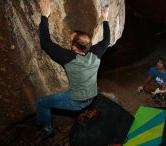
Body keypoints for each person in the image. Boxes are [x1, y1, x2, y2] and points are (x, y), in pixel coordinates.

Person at [36, 0, 110, 140]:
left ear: (75, 48)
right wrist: (105, 18)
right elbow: (107, 39)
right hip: (91, 95)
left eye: (71, 41)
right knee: (74, 90)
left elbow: (45, 42)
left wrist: (45, 15)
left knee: (41, 102)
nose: (70, 41)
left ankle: (47, 127)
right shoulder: (97, 52)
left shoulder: (68, 58)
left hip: (76, 101)